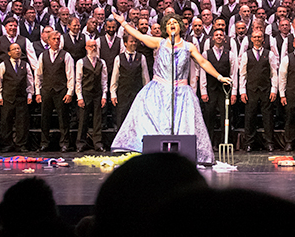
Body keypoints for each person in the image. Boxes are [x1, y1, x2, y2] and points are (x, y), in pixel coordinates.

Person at [108, 13, 232, 164]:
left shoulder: (188, 46)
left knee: (184, 125)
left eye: (175, 22)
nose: (172, 24)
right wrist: (123, 23)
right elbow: (140, 36)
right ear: (165, 28)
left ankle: (183, 157)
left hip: (181, 92)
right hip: (159, 91)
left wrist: (219, 77)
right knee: (156, 124)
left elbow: (203, 62)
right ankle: (155, 155)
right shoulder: (159, 43)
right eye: (168, 23)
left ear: (180, 26)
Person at [35, 31, 75, 152]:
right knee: (45, 118)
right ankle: (44, 143)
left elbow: (70, 75)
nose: (56, 41)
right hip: (47, 90)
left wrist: (69, 92)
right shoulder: (43, 55)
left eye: (58, 39)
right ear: (48, 40)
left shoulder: (66, 55)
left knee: (63, 119)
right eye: (54, 39)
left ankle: (64, 143)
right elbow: (38, 74)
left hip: (61, 90)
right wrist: (37, 91)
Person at [239, 30, 279, 152]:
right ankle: (249, 143)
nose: (257, 39)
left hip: (266, 89)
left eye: (259, 37)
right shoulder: (246, 54)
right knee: (250, 117)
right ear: (251, 39)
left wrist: (274, 90)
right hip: (251, 90)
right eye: (255, 37)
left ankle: (269, 142)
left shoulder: (270, 54)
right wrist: (242, 91)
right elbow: (243, 74)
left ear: (263, 39)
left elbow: (274, 73)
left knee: (268, 117)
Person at [0, 43, 34, 152]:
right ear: (9, 52)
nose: (17, 51)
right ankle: (7, 144)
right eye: (14, 49)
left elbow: (30, 82)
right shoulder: (3, 65)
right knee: (6, 121)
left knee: (22, 122)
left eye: (18, 48)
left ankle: (21, 144)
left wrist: (30, 94)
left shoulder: (25, 65)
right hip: (7, 97)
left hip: (21, 98)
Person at [74, 39, 109, 152]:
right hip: (86, 93)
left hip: (97, 93)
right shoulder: (81, 62)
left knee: (97, 119)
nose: (93, 48)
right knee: (83, 119)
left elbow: (104, 80)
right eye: (91, 46)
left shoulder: (101, 62)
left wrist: (104, 95)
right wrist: (79, 96)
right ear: (86, 48)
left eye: (95, 46)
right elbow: (78, 80)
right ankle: (80, 143)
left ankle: (97, 143)